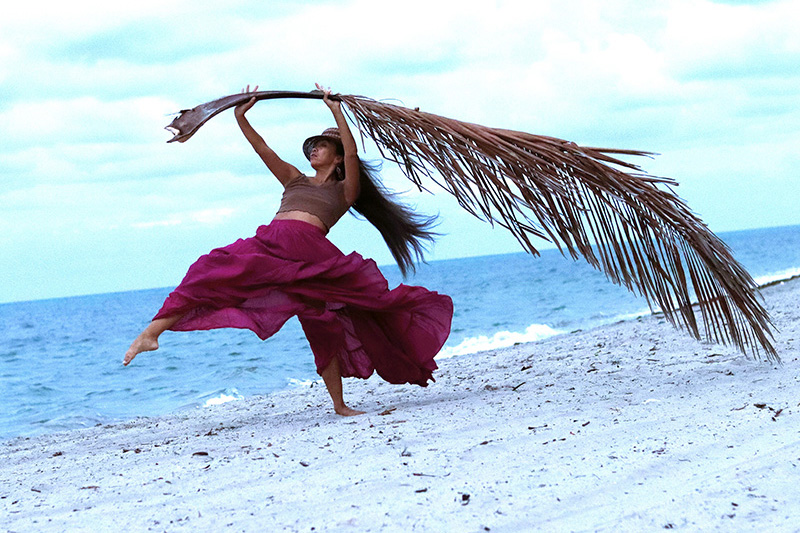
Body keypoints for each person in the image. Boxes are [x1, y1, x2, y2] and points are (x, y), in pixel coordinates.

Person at [123, 84, 453, 416]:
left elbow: (352, 155)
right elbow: (263, 150)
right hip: (272, 244)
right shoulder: (295, 179)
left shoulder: (345, 190)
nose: (314, 151)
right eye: (313, 147)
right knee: (210, 269)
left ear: (336, 156)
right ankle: (152, 333)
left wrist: (335, 111)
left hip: (312, 255)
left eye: (322, 146)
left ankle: (339, 405)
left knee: (321, 324)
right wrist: (241, 118)